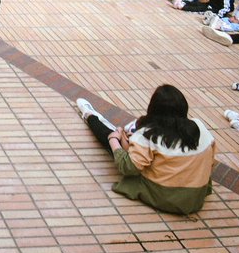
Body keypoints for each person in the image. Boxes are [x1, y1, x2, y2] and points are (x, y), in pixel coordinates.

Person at [74, 85, 215, 215]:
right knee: (132, 145)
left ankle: (90, 115)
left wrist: (114, 140)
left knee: (114, 143)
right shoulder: (199, 126)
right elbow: (211, 161)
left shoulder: (149, 135)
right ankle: (96, 118)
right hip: (196, 197)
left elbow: (127, 167)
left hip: (165, 196)